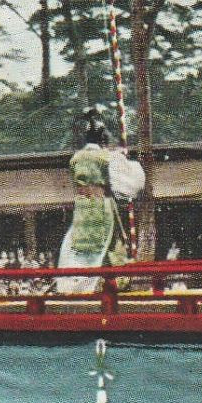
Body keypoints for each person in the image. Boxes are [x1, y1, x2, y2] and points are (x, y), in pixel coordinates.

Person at [57, 106, 145, 293]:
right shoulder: (107, 158)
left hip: (82, 207)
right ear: (103, 139)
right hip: (101, 205)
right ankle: (118, 284)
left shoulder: (75, 158)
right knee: (112, 244)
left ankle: (75, 287)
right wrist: (123, 158)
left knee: (78, 246)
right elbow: (134, 184)